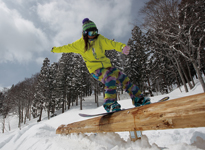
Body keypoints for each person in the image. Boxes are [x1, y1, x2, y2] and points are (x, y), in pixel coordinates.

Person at [51, 18, 150, 112]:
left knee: (123, 78)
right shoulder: (79, 44)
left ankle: (138, 99)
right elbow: (66, 48)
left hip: (107, 67)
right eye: (91, 33)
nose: (94, 35)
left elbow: (111, 44)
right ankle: (110, 104)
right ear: (85, 34)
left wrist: (121, 47)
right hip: (95, 69)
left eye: (95, 32)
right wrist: (55, 49)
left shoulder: (100, 39)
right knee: (109, 77)